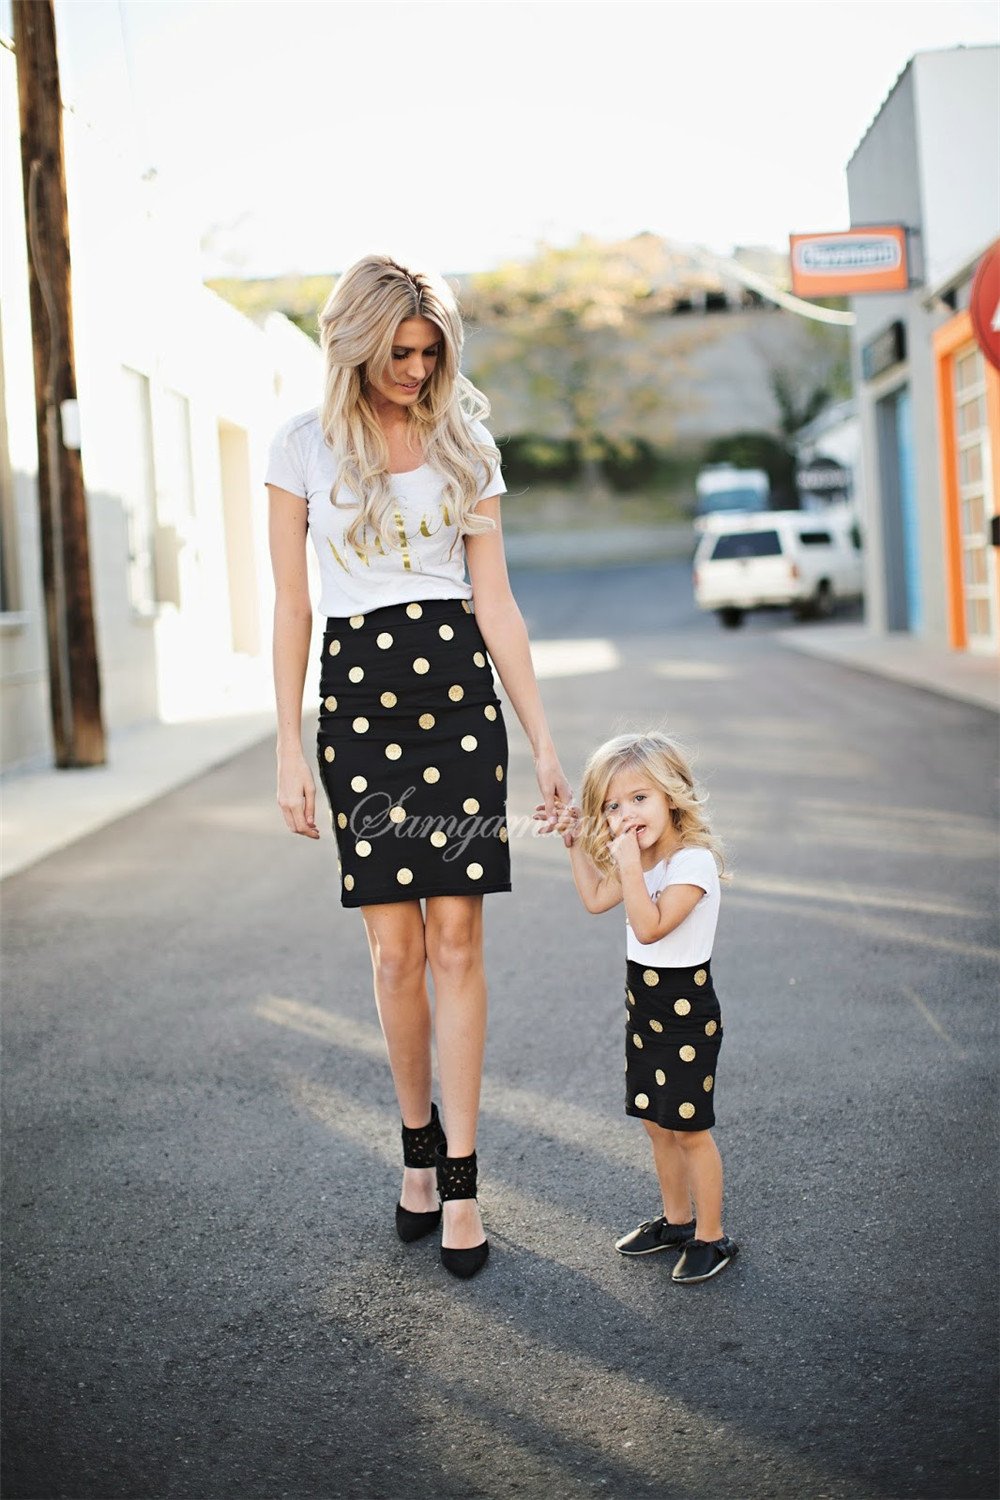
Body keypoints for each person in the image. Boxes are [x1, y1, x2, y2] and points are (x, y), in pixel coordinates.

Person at [266, 254, 571, 1279]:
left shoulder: (465, 445)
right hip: (356, 709)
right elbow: (293, 607)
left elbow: (497, 604)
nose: (415, 370)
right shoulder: (300, 446)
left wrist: (542, 741)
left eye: (430, 352)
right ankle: (415, 1151)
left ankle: (465, 1182)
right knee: (395, 952)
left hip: (457, 707)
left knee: (458, 941)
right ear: (355, 344)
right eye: (398, 351)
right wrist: (288, 747)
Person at [540, 730, 738, 1284]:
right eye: (611, 806)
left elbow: (649, 928)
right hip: (644, 1008)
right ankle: (677, 1221)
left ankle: (711, 1236)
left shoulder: (691, 864)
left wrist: (627, 861)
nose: (625, 814)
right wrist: (575, 843)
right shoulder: (642, 860)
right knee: (656, 1122)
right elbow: (594, 899)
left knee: (689, 1128)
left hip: (687, 1016)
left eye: (639, 798)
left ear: (672, 795)